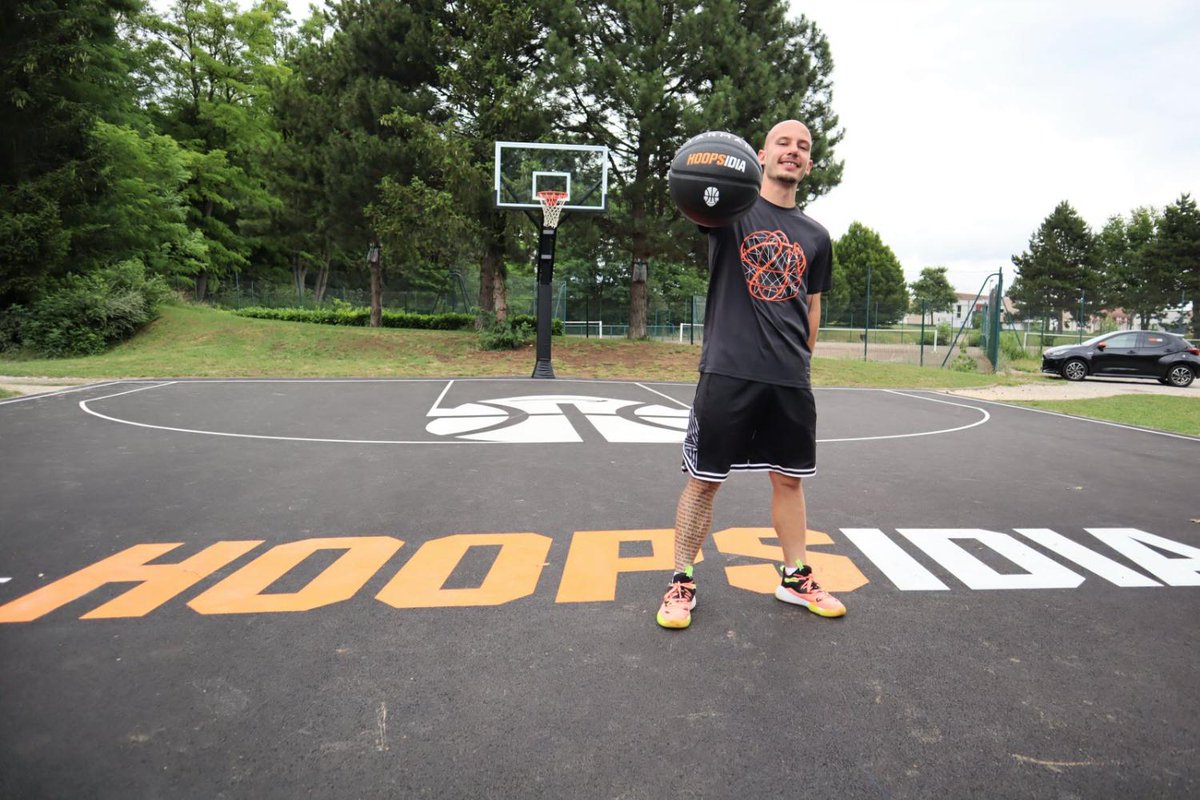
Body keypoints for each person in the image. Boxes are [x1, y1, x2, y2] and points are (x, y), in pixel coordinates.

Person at [656, 119, 845, 629]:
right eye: (783, 143)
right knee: (704, 482)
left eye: (803, 147)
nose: (793, 151)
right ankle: (682, 580)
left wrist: (800, 361)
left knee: (789, 481)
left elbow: (812, 306)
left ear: (809, 164)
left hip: (788, 378)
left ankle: (794, 576)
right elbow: (696, 187)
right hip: (728, 371)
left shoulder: (816, 235)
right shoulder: (730, 212)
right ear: (761, 155)